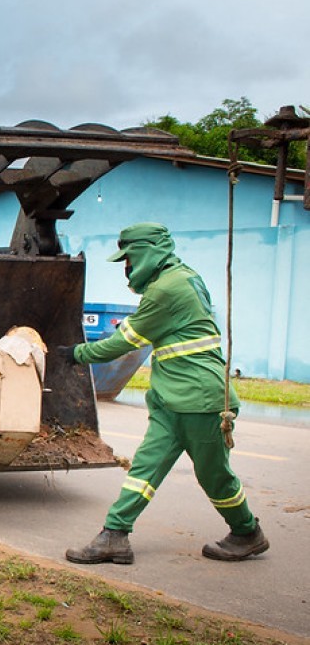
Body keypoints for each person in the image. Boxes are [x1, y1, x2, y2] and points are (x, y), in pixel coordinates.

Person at [59, 222, 268, 565]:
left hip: (201, 400)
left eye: (129, 260)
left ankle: (247, 532)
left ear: (146, 254)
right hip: (172, 401)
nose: (126, 269)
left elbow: (124, 343)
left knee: (215, 477)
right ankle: (114, 534)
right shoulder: (183, 278)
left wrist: (76, 354)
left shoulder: (168, 289)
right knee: (145, 468)